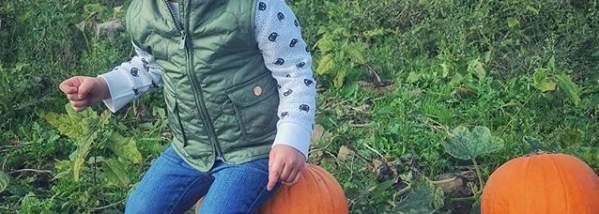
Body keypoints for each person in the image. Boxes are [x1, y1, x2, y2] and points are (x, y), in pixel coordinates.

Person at [58, 0, 316, 213]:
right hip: (190, 148)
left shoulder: (256, 7)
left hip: (255, 149)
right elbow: (150, 66)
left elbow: (293, 71)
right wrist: (105, 86)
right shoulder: (143, 14)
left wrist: (291, 138)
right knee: (141, 208)